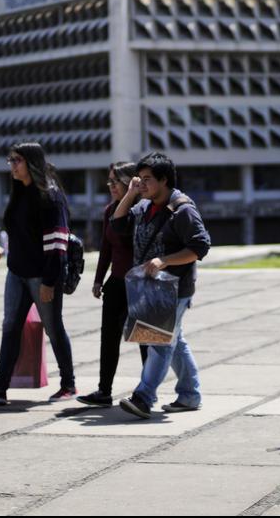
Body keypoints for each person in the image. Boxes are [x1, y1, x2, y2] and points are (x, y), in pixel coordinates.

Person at [0, 142, 76, 406]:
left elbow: (58, 244)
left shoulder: (50, 196)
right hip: (16, 272)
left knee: (53, 327)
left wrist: (50, 281)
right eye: (10, 160)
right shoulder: (18, 191)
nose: (12, 165)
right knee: (10, 327)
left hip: (42, 275)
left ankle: (68, 385)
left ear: (31, 162)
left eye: (17, 160)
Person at [111, 152, 211, 419]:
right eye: (139, 179)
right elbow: (118, 225)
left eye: (147, 179)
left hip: (174, 288)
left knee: (160, 342)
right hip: (150, 288)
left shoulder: (182, 209)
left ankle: (144, 397)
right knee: (174, 341)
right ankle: (190, 394)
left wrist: (164, 260)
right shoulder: (143, 206)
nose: (141, 184)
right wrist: (130, 193)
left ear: (164, 180)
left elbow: (200, 246)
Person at [77, 162, 148, 408]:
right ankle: (103, 391)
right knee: (108, 338)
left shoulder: (141, 209)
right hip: (116, 282)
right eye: (108, 181)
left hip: (138, 284)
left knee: (144, 339)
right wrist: (98, 279)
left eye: (115, 181)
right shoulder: (109, 211)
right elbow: (106, 248)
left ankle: (146, 393)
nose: (110, 186)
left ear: (131, 183)